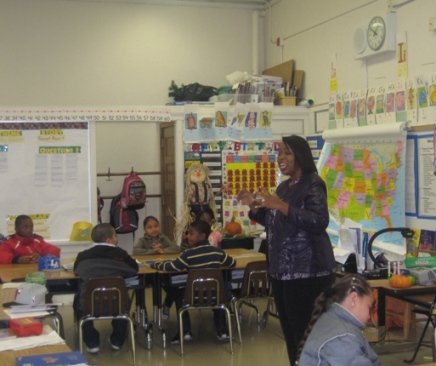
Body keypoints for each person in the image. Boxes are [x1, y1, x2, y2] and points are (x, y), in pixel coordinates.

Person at [237, 134, 336, 366]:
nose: (281, 158)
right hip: (282, 271)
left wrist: (279, 204)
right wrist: (252, 204)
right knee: (290, 333)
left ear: (300, 156)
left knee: (305, 334)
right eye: (279, 152)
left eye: (287, 153)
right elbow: (275, 220)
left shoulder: (313, 183)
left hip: (307, 271)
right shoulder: (284, 186)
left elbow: (319, 221)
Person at [151, 220, 235, 345]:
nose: (187, 236)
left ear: (202, 236)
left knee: (177, 293)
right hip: (215, 294)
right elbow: (232, 263)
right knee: (217, 293)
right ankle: (222, 331)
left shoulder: (188, 255)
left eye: (191, 234)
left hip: (193, 296)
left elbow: (171, 266)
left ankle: (185, 331)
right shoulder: (217, 252)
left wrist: (155, 263)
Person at [73, 223, 138, 354]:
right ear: (109, 240)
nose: (117, 239)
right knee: (124, 301)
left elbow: (77, 271)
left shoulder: (83, 256)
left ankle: (92, 342)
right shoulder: (121, 254)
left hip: (90, 304)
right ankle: (117, 341)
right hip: (116, 302)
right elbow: (134, 269)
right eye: (115, 236)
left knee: (78, 302)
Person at [297, 275, 380, 366]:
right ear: (353, 299)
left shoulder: (331, 319)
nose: (370, 315)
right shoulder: (343, 339)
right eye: (369, 307)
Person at [132, 216, 180, 320]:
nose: (154, 229)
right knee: (139, 286)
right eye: (150, 227)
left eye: (156, 226)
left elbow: (176, 248)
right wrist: (153, 251)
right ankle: (141, 310)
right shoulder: (143, 240)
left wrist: (163, 251)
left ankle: (166, 305)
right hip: (148, 273)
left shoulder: (163, 238)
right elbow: (136, 251)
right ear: (145, 230)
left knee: (172, 287)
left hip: (162, 271)